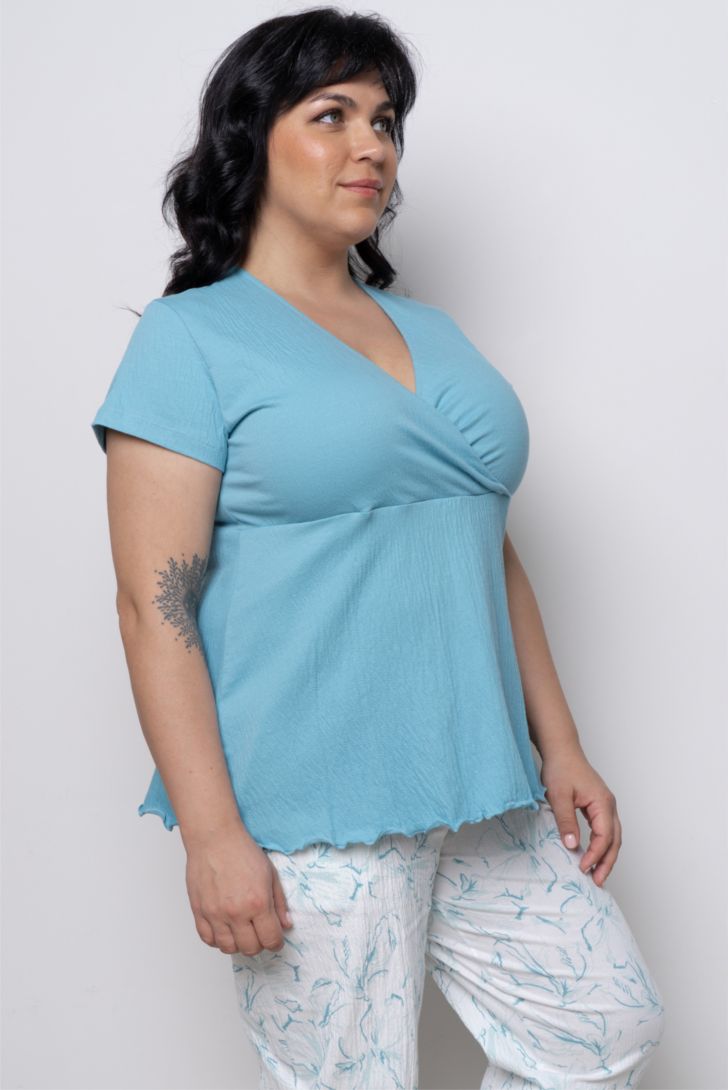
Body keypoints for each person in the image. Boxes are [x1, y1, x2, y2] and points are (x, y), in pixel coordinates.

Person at [90, 7, 666, 1089]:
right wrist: (211, 835)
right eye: (333, 115)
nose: (372, 145)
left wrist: (560, 744)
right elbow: (153, 608)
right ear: (251, 138)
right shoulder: (190, 340)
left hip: (479, 780)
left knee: (600, 1026)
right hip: (307, 800)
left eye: (386, 121)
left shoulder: (432, 330)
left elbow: (482, 544)